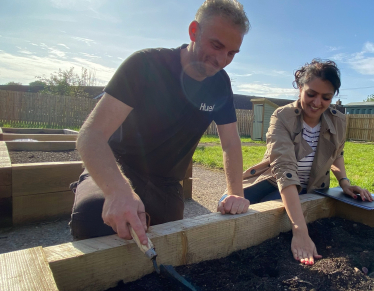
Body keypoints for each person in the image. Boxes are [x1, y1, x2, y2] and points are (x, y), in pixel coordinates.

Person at [70, 0, 251, 245]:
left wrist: (235, 194)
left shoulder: (220, 84)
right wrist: (117, 191)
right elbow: (90, 135)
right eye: (216, 45)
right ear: (194, 31)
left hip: (166, 184)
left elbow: (230, 143)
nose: (221, 60)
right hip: (120, 167)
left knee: (169, 243)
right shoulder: (145, 65)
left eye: (231, 53)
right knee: (93, 215)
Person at [222, 59, 373, 265]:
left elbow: (337, 153)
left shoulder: (338, 120)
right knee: (228, 205)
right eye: (311, 94)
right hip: (276, 178)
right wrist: (301, 231)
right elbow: (284, 169)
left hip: (310, 187)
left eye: (326, 97)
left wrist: (344, 182)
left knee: (266, 220)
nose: (317, 102)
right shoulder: (282, 116)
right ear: (300, 88)